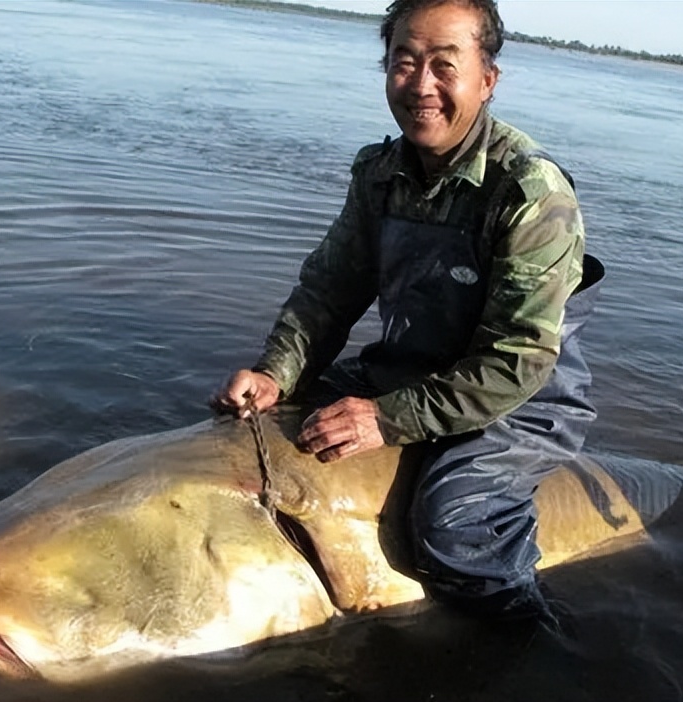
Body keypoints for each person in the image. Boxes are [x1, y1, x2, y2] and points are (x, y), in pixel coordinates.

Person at [213, 0, 603, 623]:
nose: (422, 85)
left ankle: (525, 641)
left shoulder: (530, 192)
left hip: (524, 403)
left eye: (445, 66)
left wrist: (387, 420)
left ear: (487, 79)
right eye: (404, 62)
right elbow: (328, 291)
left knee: (454, 530)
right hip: (409, 374)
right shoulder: (379, 173)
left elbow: (517, 361)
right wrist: (276, 373)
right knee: (246, 419)